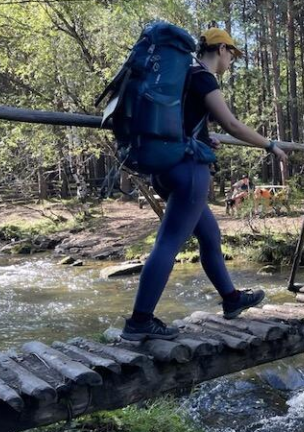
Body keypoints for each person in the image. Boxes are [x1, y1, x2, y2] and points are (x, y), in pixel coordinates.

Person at [122, 28, 288, 341]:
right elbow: (233, 124)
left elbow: (182, 122)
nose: (232, 61)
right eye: (232, 54)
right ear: (221, 48)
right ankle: (140, 320)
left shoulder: (181, 74)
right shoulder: (202, 76)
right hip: (190, 171)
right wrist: (270, 146)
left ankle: (231, 299)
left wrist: (203, 136)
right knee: (168, 243)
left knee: (210, 235)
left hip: (167, 168)